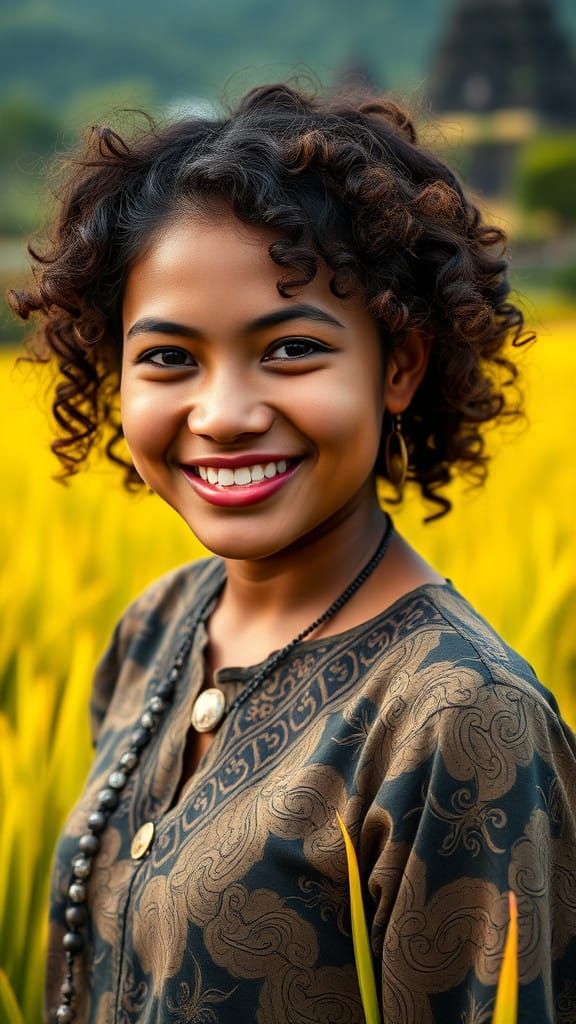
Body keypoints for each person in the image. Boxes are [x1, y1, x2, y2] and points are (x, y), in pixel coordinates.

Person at [8, 80, 576, 1024]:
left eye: (291, 349)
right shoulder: (159, 623)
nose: (223, 415)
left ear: (399, 364)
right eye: (168, 357)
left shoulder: (462, 724)